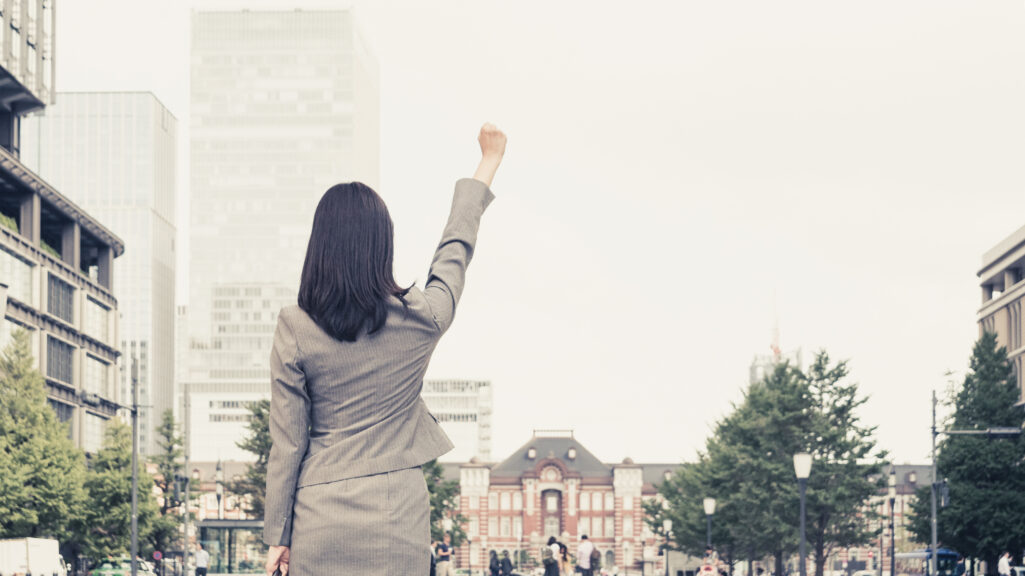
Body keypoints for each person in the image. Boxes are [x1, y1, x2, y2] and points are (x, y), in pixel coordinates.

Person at [262, 123, 507, 576]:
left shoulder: (294, 326)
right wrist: (487, 164)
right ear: (383, 245)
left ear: (320, 245)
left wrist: (279, 535)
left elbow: (288, 443)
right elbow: (453, 254)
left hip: (320, 519)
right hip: (398, 520)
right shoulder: (421, 317)